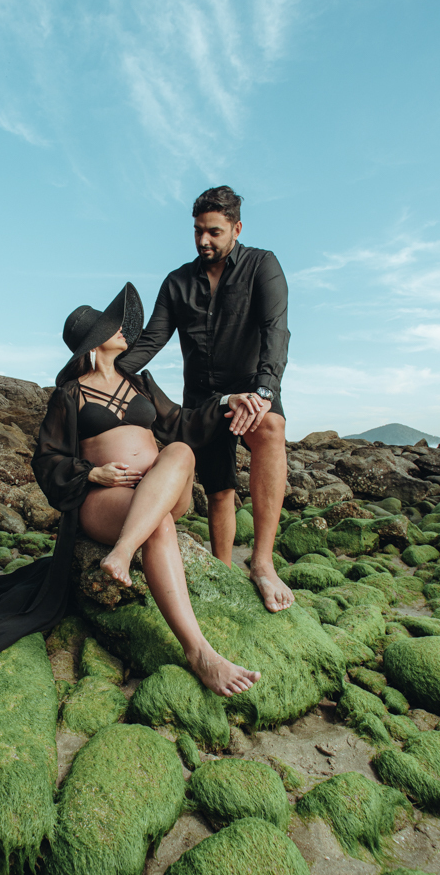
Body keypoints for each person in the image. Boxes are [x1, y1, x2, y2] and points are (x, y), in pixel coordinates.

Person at [0, 283, 260, 753]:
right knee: (161, 526)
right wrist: (94, 472)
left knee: (179, 450)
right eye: (117, 327)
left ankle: (122, 553)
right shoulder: (68, 395)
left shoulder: (141, 383)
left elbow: (183, 423)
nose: (126, 333)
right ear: (97, 339)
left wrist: (225, 403)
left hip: (161, 490)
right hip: (107, 498)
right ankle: (200, 652)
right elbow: (46, 462)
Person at [120, 186, 293, 614]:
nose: (204, 241)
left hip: (254, 390)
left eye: (214, 232)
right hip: (203, 399)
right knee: (218, 491)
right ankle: (221, 567)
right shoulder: (177, 282)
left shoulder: (262, 265)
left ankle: (263, 563)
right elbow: (151, 340)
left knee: (271, 428)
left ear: (236, 228)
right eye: (198, 231)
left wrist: (264, 393)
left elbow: (276, 331)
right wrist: (107, 367)